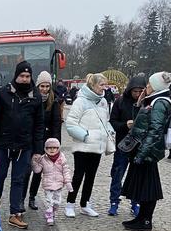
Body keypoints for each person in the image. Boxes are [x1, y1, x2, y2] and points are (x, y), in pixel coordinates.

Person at [0, 60, 44, 229]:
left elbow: (39, 125)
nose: (25, 79)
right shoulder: (3, 93)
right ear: (16, 76)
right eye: (22, 76)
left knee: (19, 180)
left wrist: (38, 150)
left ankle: (15, 213)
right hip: (3, 144)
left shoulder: (36, 97)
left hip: (24, 146)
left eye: (27, 76)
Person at [121, 72, 171, 231]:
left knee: (149, 186)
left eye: (149, 85)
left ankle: (146, 221)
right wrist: (139, 104)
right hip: (145, 148)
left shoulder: (160, 102)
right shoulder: (153, 100)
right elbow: (141, 123)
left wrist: (142, 153)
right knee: (144, 185)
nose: (146, 87)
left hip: (148, 150)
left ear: (156, 87)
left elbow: (155, 130)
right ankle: (142, 218)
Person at [65, 73, 115, 218]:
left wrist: (109, 133)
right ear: (93, 85)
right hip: (83, 146)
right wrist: (85, 136)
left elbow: (106, 121)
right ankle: (70, 203)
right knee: (78, 175)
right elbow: (71, 123)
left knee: (91, 176)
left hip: (97, 146)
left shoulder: (104, 102)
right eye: (101, 85)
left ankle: (85, 203)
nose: (104, 88)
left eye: (105, 85)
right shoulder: (80, 101)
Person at [107, 74, 146, 216]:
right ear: (130, 90)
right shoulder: (120, 102)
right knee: (118, 174)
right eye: (134, 91)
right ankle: (114, 202)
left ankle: (135, 202)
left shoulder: (147, 103)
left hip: (139, 146)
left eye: (139, 91)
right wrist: (125, 125)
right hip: (122, 144)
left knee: (136, 175)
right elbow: (112, 121)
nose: (136, 94)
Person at [25, 71, 62, 210]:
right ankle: (21, 198)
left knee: (38, 172)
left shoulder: (54, 102)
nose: (45, 89)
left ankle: (32, 197)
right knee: (26, 171)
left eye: (47, 86)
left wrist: (55, 144)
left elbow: (56, 124)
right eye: (42, 86)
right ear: (38, 86)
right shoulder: (32, 99)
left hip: (46, 142)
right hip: (31, 140)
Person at [31, 138, 73, 225]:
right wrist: (35, 162)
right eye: (49, 148)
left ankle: (53, 211)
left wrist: (68, 182)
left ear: (58, 148)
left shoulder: (62, 158)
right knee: (49, 201)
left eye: (54, 148)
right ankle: (49, 215)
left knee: (57, 202)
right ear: (46, 148)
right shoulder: (43, 159)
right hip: (48, 184)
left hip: (59, 184)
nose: (52, 150)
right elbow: (37, 170)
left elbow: (66, 170)